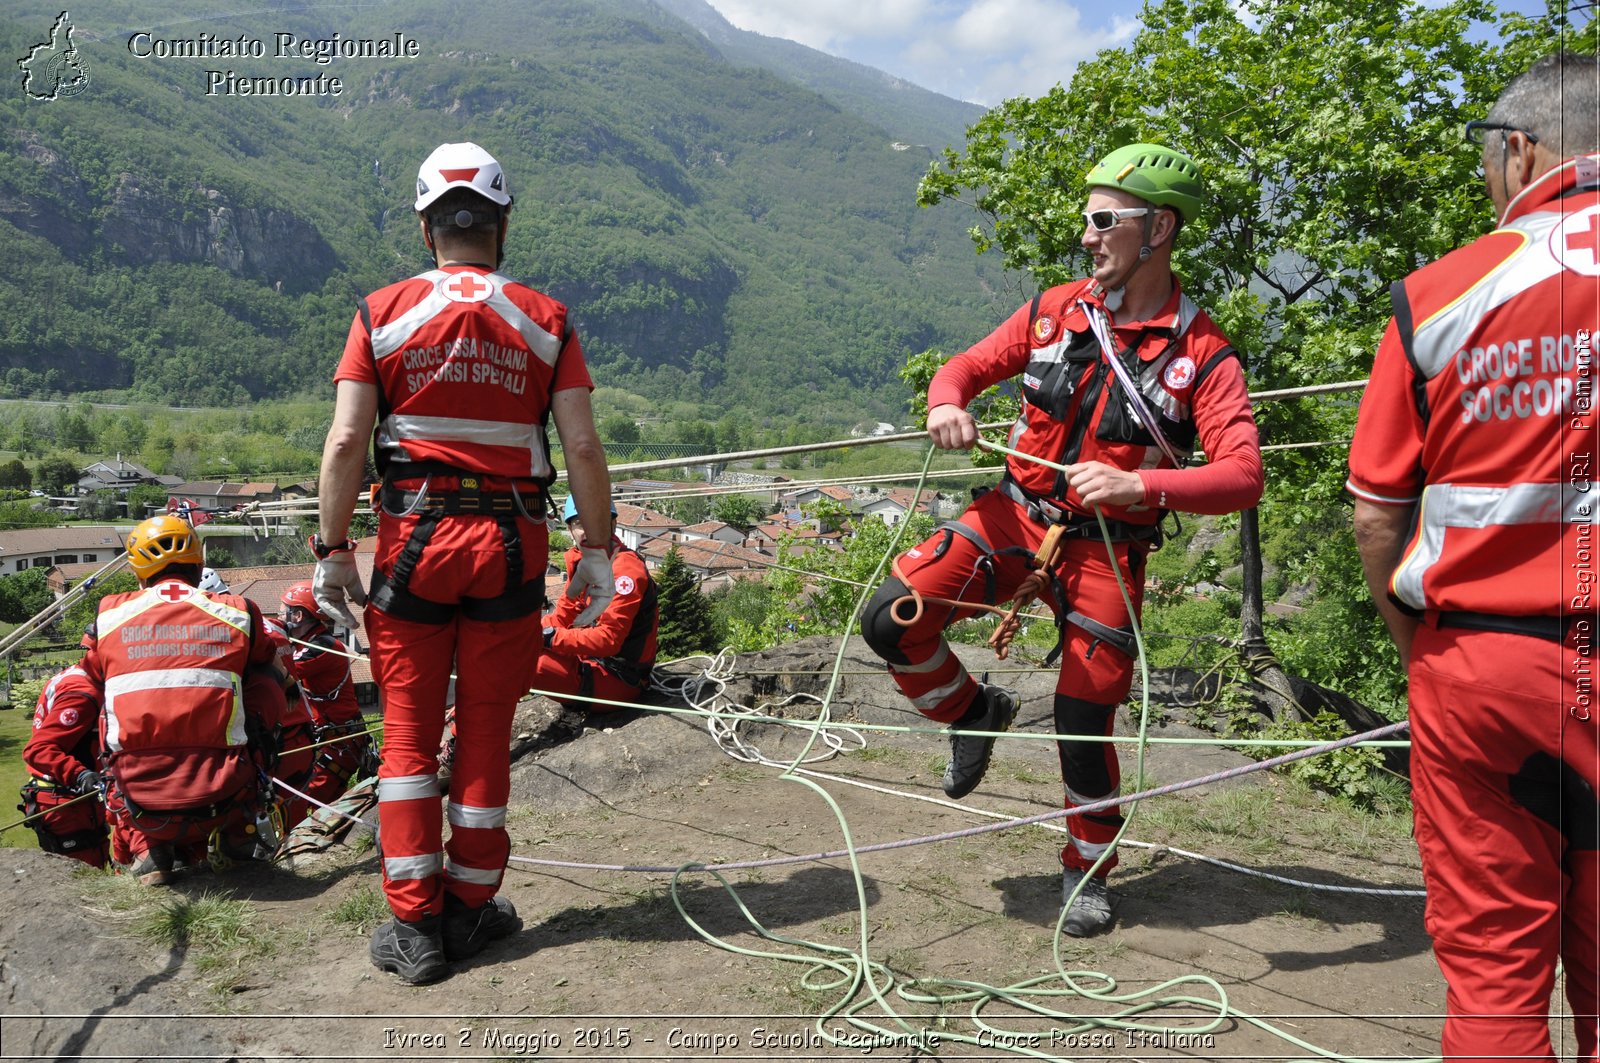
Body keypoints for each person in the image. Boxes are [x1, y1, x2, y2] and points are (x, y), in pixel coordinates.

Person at [859, 143, 1263, 937]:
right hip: (1014, 516)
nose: (1086, 234)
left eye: (1103, 219)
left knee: (1084, 716)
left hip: (1105, 547)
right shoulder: (1054, 310)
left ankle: (1088, 870)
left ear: (1159, 229)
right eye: (1088, 218)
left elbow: (1244, 474)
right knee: (892, 619)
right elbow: (964, 369)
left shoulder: (1202, 355)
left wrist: (1140, 485)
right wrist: (948, 404)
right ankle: (973, 713)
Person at [1348, 52, 1600, 1063]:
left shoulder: (1442, 292)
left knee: (1495, 969)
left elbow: (1375, 516)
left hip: (1482, 666)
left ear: (1520, 149)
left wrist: (1421, 637)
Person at [315, 141, 617, 984]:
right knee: (486, 727)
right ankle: (472, 905)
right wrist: (595, 550)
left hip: (413, 541)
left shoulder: (381, 313)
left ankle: (414, 931)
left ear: (425, 228)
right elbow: (583, 447)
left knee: (408, 732)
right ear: (501, 223)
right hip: (511, 543)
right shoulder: (546, 318)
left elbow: (346, 441)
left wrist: (334, 550)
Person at [82, 514, 288, 885]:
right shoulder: (238, 610)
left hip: (139, 800)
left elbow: (93, 674)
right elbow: (272, 667)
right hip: (225, 793)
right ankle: (239, 833)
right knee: (265, 679)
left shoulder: (108, 613)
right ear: (198, 564)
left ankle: (149, 849)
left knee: (105, 696)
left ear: (138, 570)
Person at [539, 496, 657, 712]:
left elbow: (608, 640)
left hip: (617, 679)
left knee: (518, 662)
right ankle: (461, 727)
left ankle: (465, 735)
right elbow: (562, 617)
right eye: (579, 523)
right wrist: (524, 632)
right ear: (570, 529)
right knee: (509, 648)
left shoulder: (624, 571)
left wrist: (550, 638)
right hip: (592, 665)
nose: (588, 530)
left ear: (612, 525)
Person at [274, 580, 372, 825]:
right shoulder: (308, 643)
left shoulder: (322, 647)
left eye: (283, 610)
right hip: (331, 739)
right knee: (323, 807)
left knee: (302, 801)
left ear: (297, 615)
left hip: (337, 743)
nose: (279, 614)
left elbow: (282, 674)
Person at [19, 659, 108, 867]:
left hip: (57, 796)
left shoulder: (74, 675)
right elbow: (38, 749)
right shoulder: (83, 693)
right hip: (69, 803)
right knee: (85, 878)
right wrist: (80, 774)